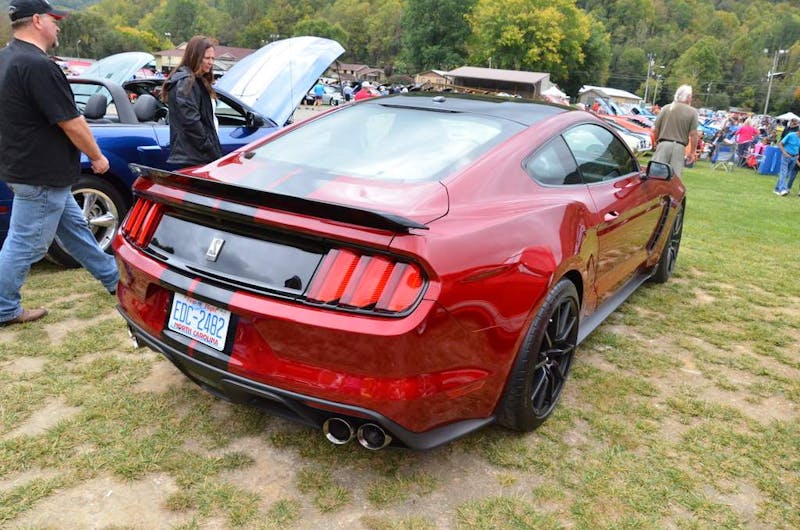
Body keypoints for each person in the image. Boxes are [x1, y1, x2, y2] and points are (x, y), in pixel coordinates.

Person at [0, 0, 119, 326]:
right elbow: (71, 122)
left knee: (77, 232)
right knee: (25, 245)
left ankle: (115, 282)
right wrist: (97, 157)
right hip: (41, 175)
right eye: (55, 20)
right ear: (37, 20)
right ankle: (4, 308)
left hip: (29, 171)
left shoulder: (7, 58)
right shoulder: (38, 65)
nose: (59, 26)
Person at [162, 35, 222, 167]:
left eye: (213, 58)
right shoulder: (187, 81)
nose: (211, 62)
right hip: (194, 157)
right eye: (207, 58)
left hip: (197, 155)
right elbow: (191, 122)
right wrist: (209, 148)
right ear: (195, 56)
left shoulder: (196, 80)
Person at [652, 84, 698, 177]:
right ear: (688, 97)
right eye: (691, 96)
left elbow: (655, 129)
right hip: (679, 148)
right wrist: (692, 152)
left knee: (655, 175)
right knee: (674, 178)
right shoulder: (692, 112)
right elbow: (693, 134)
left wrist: (656, 142)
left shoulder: (666, 108)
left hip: (663, 145)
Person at [774, 128, 800, 196]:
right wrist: (784, 152)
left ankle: (776, 189)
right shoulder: (791, 135)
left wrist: (797, 156)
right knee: (784, 172)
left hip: (794, 157)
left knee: (787, 174)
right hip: (786, 156)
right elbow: (780, 144)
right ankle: (783, 189)